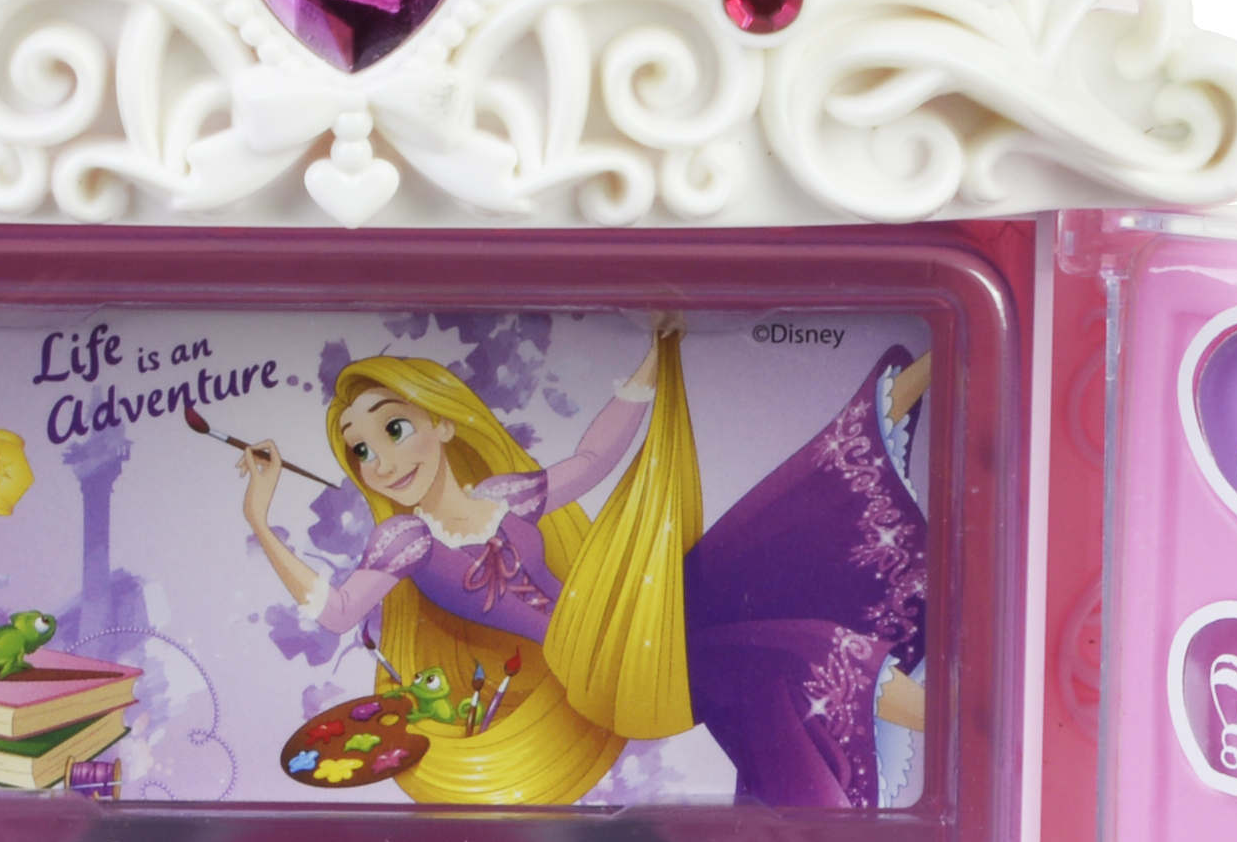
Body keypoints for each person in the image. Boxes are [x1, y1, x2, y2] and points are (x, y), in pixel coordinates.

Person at [232, 322, 932, 809]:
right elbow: (335, 613)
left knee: (767, 541)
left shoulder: (504, 495)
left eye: (393, 428)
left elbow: (594, 460)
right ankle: (968, 731)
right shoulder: (404, 542)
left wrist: (655, 358)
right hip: (597, 670)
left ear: (442, 422)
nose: (381, 461)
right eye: (360, 452)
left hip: (628, 623)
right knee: (798, 653)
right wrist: (260, 518)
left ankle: (936, 369)